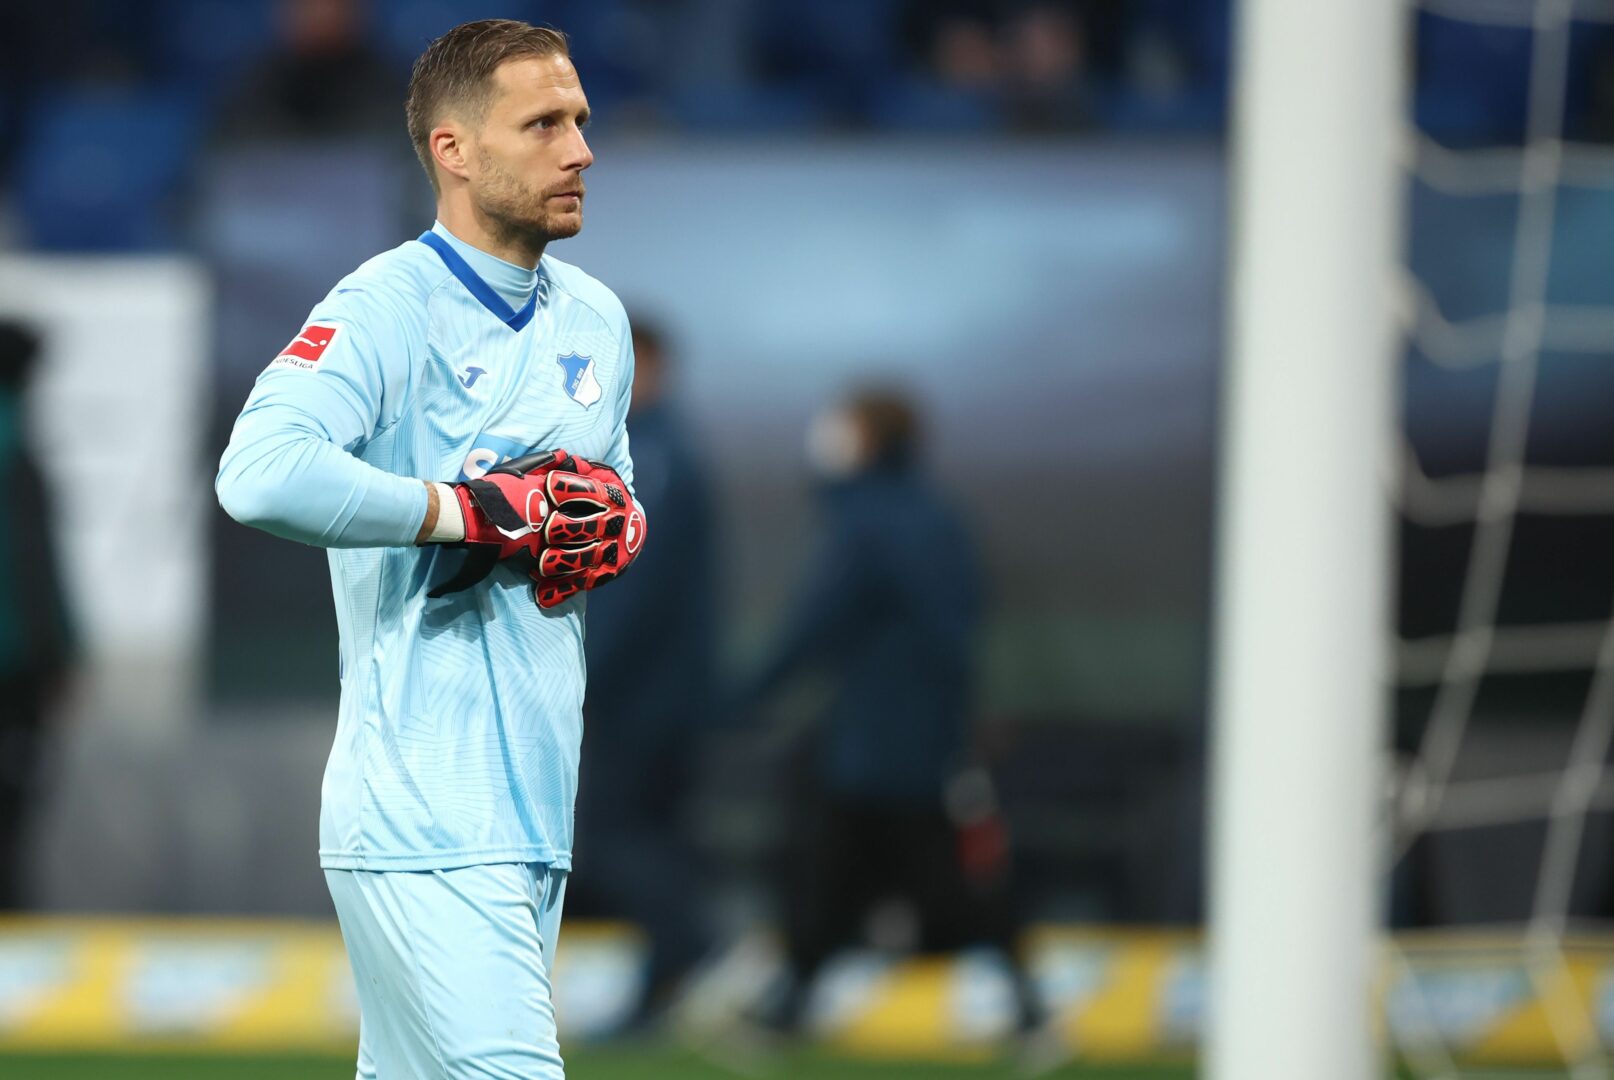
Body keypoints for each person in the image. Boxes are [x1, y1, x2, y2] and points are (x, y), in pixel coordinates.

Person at [216, 20, 647, 1079]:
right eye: (543, 125)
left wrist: (618, 523)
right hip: (425, 809)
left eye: (580, 121)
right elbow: (258, 472)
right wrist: (468, 511)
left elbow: (605, 501)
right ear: (452, 149)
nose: (580, 150)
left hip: (535, 801)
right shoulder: (386, 306)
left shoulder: (596, 320)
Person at [741, 388, 1043, 1035]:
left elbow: (814, 624)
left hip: (875, 733)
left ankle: (793, 1001)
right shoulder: (940, 517)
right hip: (927, 729)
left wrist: (743, 695)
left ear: (866, 439)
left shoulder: (866, 523)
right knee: (923, 865)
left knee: (849, 862)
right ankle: (1021, 995)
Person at [571, 319, 718, 1028]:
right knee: (648, 834)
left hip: (642, 696)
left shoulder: (649, 458)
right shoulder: (661, 450)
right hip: (661, 692)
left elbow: (631, 584)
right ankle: (667, 976)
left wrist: (580, 674)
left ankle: (688, 946)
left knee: (618, 834)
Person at [0, 321, 76, 910]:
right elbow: (35, 565)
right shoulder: (17, 453)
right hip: (15, 664)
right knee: (14, 804)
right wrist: (62, 653)